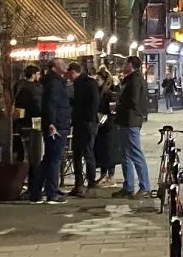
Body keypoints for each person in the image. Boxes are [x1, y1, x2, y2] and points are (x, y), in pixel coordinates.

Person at [30, 58, 71, 204]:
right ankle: (51, 193)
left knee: (48, 159)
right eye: (62, 64)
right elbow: (51, 104)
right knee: (54, 159)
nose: (65, 66)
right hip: (58, 125)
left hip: (57, 123)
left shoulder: (53, 81)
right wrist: (52, 123)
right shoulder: (54, 83)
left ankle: (35, 193)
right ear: (55, 67)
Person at [113, 55, 151, 199]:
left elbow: (134, 100)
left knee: (135, 153)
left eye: (125, 63)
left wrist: (120, 104)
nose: (123, 65)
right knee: (125, 155)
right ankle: (128, 186)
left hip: (130, 120)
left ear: (131, 65)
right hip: (125, 120)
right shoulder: (130, 79)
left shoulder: (135, 80)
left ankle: (145, 187)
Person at [66, 61, 100, 197]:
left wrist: (88, 118)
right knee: (78, 153)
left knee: (86, 152)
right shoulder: (83, 83)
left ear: (73, 72)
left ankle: (89, 183)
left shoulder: (87, 83)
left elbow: (94, 102)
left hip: (86, 123)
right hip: (82, 122)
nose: (68, 77)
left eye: (69, 74)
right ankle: (80, 184)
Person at [13, 64, 43, 199]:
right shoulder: (36, 89)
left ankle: (27, 186)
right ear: (34, 74)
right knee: (35, 156)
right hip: (34, 124)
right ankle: (34, 187)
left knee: (24, 154)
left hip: (20, 124)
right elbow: (38, 107)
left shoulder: (18, 86)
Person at [94, 66, 120, 186]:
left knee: (109, 151)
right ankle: (103, 174)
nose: (96, 82)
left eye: (98, 80)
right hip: (101, 126)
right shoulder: (99, 92)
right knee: (101, 151)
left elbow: (113, 112)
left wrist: (104, 118)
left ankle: (111, 175)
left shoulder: (111, 94)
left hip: (109, 126)